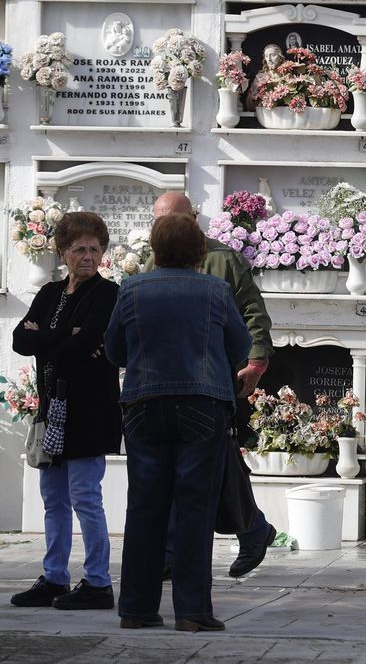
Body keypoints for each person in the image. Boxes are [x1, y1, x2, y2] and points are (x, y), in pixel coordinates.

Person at [104, 214, 252, 632]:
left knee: (144, 507)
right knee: (194, 508)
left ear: (155, 249)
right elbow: (241, 346)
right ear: (200, 251)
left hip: (143, 403)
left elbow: (114, 350)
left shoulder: (131, 289)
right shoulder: (215, 290)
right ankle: (191, 612)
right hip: (202, 405)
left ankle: (136, 609)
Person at [146, 192, 279, 580]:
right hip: (167, 382)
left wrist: (255, 361)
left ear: (193, 217)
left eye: (172, 219)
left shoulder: (223, 260)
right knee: (203, 463)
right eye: (158, 220)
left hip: (212, 382)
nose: (164, 227)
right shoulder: (151, 263)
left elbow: (251, 312)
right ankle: (250, 531)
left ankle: (240, 534)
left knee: (215, 460)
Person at [9, 212, 122, 611]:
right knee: (53, 499)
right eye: (78, 249)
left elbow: (85, 343)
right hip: (52, 410)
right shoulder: (50, 293)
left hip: (89, 412)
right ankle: (55, 576)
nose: (87, 257)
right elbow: (20, 340)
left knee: (85, 498)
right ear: (62, 253)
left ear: (102, 253)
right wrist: (63, 336)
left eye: (94, 249)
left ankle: (98, 582)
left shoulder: (107, 294)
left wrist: (48, 338)